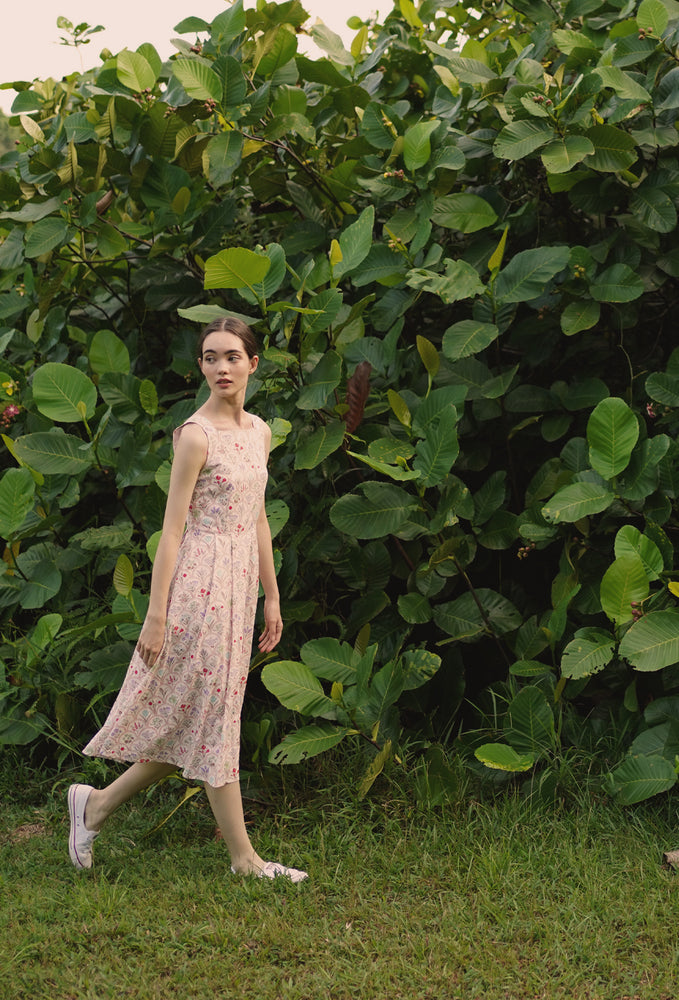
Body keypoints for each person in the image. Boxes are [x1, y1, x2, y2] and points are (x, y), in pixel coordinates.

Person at [68, 316, 307, 883]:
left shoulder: (261, 432)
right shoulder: (196, 434)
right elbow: (172, 530)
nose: (220, 368)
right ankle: (244, 860)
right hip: (199, 585)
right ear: (200, 366)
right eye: (209, 357)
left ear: (253, 363)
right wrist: (156, 614)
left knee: (199, 716)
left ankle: (95, 807)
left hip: (241, 582)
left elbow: (257, 520)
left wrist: (272, 597)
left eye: (231, 356)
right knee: (214, 717)